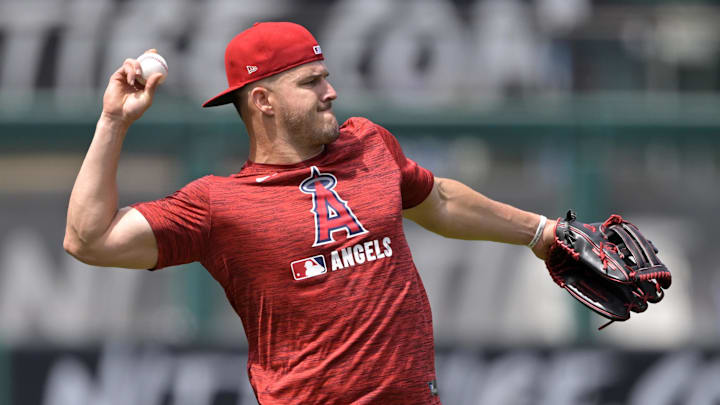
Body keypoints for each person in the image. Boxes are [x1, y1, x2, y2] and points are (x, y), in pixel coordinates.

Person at [64, 22, 556, 404]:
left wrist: (543, 233)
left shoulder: (368, 144)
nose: (331, 91)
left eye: (327, 77)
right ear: (263, 101)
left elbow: (440, 201)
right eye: (312, 82)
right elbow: (88, 240)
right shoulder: (218, 203)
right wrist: (113, 121)